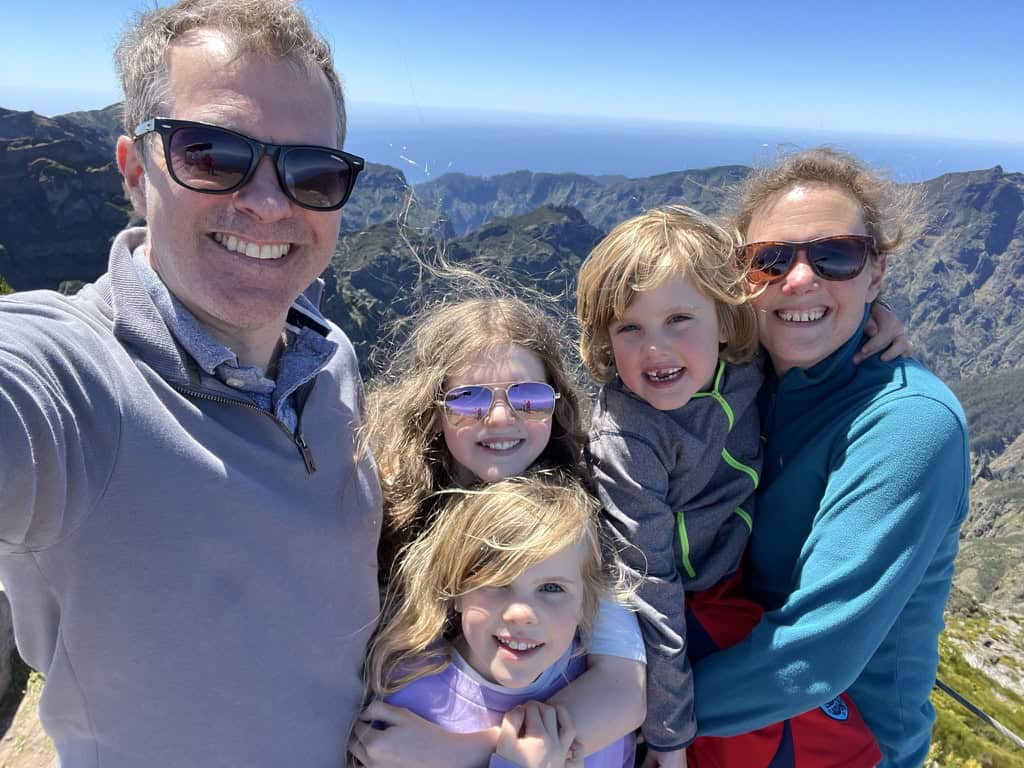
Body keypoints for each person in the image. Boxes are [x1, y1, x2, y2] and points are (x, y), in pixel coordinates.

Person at [0, 1, 380, 765]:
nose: (269, 203)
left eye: (311, 170)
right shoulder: (74, 379)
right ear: (137, 172)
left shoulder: (329, 356)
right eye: (212, 155)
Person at [691, 147, 970, 768]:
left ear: (877, 272)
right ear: (743, 280)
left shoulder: (909, 423)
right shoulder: (735, 378)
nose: (800, 280)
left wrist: (632, 715)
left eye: (835, 256)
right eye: (770, 260)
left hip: (836, 743)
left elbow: (813, 660)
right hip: (731, 716)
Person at [576, 206, 881, 768]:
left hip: (738, 580)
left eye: (679, 320)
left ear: (725, 319)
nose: (655, 349)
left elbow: (805, 315)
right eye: (629, 327)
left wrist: (874, 317)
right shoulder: (628, 438)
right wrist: (669, 739)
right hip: (685, 600)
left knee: (840, 739)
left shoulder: (744, 368)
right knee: (792, 744)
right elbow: (651, 586)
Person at [351, 296, 647, 766]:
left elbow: (622, 689)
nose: (502, 418)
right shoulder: (387, 517)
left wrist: (466, 752)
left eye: (528, 398)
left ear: (556, 402)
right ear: (434, 407)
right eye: (469, 399)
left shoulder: (578, 519)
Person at [366, 473, 634, 768]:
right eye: (497, 582)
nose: (521, 613)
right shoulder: (408, 692)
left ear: (587, 603)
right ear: (455, 591)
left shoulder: (595, 690)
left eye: (551, 588)